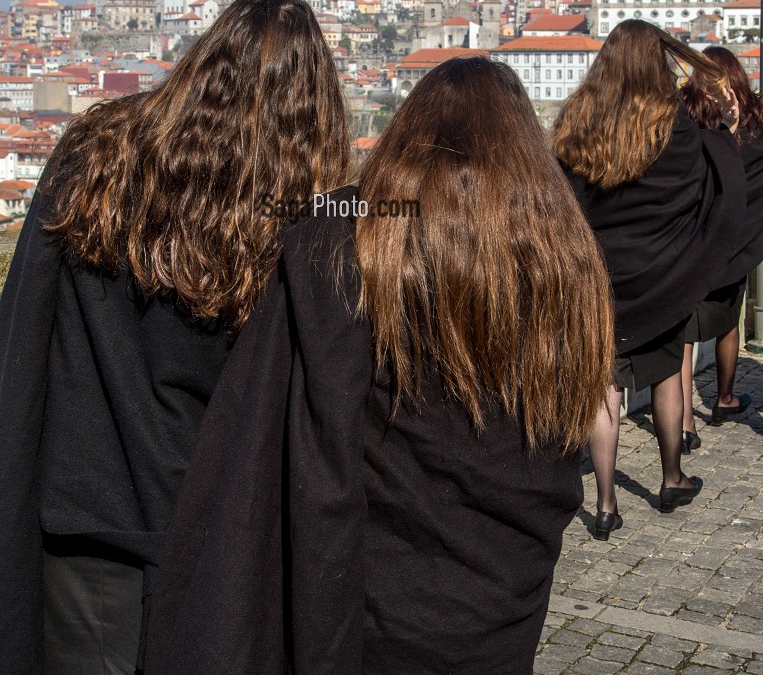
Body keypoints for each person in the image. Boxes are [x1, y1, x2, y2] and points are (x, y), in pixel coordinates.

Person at [0, 0, 351, 674]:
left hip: (89, 537)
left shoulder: (97, 161)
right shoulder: (300, 220)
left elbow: (25, 339)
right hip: (219, 546)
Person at [143, 57, 615, 674]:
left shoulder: (366, 236)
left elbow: (333, 216)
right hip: (504, 595)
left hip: (381, 609)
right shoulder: (567, 259)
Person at [553, 20, 745, 540]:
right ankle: (671, 478)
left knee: (603, 387)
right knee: (666, 374)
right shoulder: (676, 125)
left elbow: (563, 198)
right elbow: (708, 179)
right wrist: (725, 131)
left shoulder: (579, 121)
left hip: (599, 280)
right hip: (663, 275)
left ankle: (606, 504)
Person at [678, 46, 763, 452]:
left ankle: (683, 424)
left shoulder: (685, 120)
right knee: (728, 321)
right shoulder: (751, 125)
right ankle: (724, 398)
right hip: (734, 244)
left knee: (683, 336)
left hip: (692, 244)